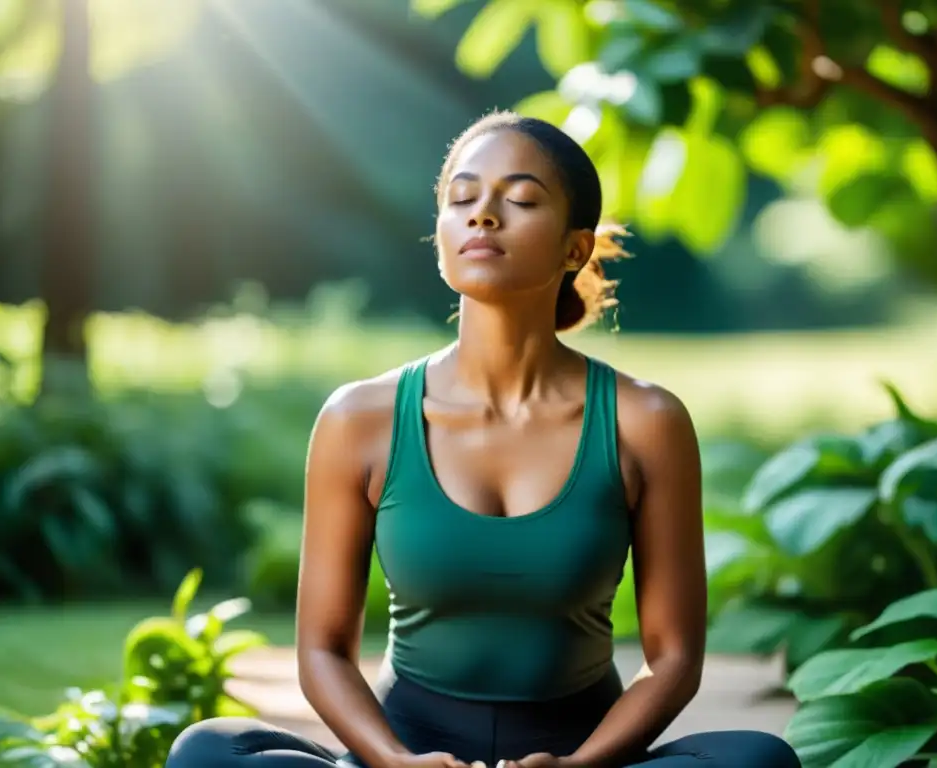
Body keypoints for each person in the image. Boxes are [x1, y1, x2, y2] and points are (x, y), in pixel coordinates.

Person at [166, 112, 800, 768]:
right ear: (440, 235)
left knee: (757, 760)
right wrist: (392, 761)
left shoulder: (646, 421)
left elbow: (673, 658)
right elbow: (322, 650)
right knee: (210, 753)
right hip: (405, 753)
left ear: (575, 249)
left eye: (521, 199)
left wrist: (581, 767)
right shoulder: (360, 418)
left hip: (586, 755)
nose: (483, 215)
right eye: (461, 199)